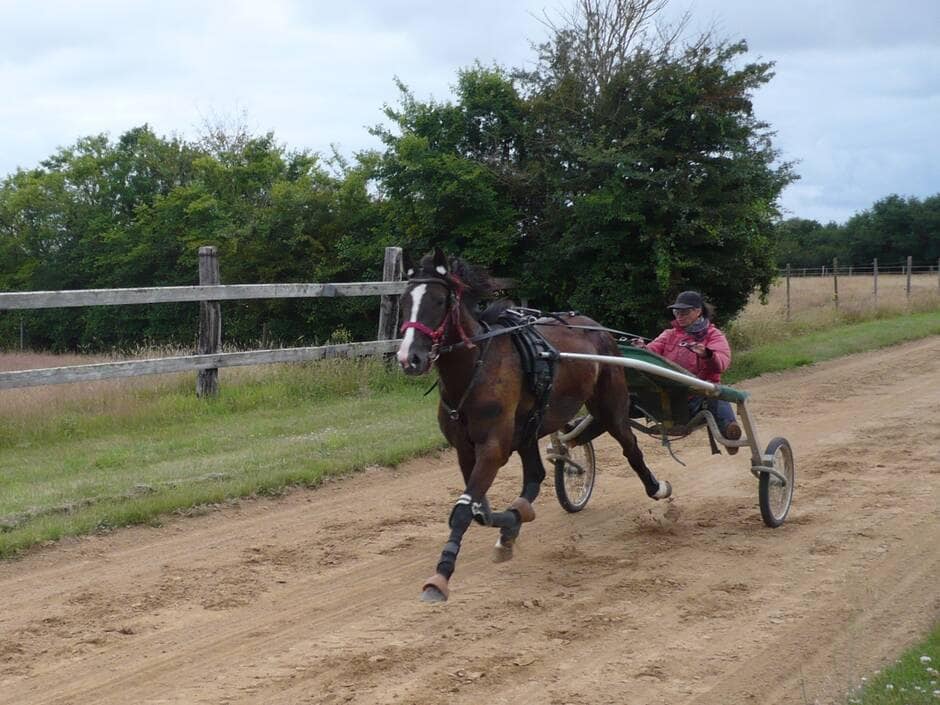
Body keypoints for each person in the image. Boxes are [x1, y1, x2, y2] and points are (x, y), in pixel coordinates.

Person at [634, 290, 742, 454]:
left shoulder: (713, 335)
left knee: (715, 393)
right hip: (668, 395)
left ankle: (729, 432)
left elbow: (721, 363)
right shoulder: (669, 335)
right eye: (676, 311)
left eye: (684, 311)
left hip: (696, 397)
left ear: (698, 311)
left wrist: (707, 354)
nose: (679, 315)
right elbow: (651, 353)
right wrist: (641, 348)